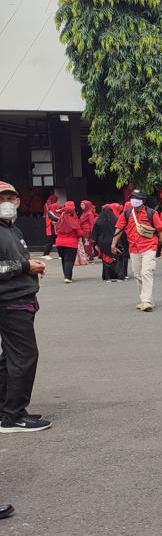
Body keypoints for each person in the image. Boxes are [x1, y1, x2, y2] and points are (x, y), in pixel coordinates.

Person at [0, 181, 50, 432]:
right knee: (24, 357)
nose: (7, 203)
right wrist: (24, 267)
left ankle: (5, 410)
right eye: (1, 199)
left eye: (11, 198)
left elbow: (15, 262)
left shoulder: (13, 230)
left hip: (22, 298)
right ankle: (14, 415)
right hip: (10, 302)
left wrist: (31, 264)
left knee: (10, 358)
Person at [112, 190, 162, 311]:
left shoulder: (151, 213)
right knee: (138, 275)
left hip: (149, 247)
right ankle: (145, 299)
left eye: (136, 198)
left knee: (146, 272)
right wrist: (113, 244)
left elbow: (160, 230)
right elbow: (119, 228)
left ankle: (146, 301)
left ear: (143, 201)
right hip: (134, 248)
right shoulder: (127, 213)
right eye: (132, 197)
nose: (133, 200)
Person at [54, 201, 85, 284]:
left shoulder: (60, 220)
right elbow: (79, 233)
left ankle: (66, 276)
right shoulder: (72, 220)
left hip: (59, 243)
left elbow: (56, 231)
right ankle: (68, 277)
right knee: (69, 260)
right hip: (71, 244)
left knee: (64, 260)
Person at [92, 203, 124, 281]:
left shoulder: (98, 220)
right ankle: (118, 275)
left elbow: (94, 233)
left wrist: (95, 243)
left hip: (102, 242)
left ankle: (107, 276)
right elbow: (119, 231)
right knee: (116, 258)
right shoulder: (115, 219)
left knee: (106, 259)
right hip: (114, 242)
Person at [42, 195, 60, 260]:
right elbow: (56, 219)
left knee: (56, 241)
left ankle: (60, 255)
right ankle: (45, 254)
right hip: (51, 229)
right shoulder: (50, 212)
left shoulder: (50, 210)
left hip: (53, 229)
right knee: (51, 241)